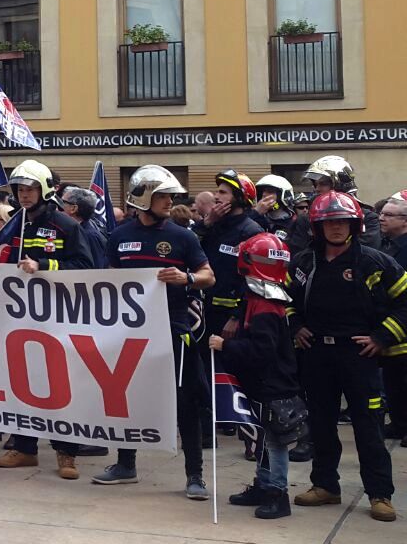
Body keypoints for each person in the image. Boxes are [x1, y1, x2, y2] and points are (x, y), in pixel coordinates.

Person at [288, 191, 405, 522]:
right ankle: (325, 486)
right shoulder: (303, 263)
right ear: (318, 226)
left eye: (342, 222)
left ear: (353, 225)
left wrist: (382, 337)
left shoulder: (377, 262)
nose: (336, 228)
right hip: (317, 357)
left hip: (359, 358)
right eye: (329, 222)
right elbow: (283, 300)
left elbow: (405, 303)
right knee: (322, 426)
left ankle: (380, 494)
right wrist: (295, 324)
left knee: (368, 428)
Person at [97, 165, 214, 497]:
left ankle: (195, 475)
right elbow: (108, 278)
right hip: (130, 333)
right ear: (144, 197)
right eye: (163, 195)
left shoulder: (183, 236)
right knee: (128, 398)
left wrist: (186, 278)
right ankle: (125, 464)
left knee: (185, 403)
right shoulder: (118, 236)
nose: (170, 200)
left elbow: (209, 276)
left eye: (170, 195)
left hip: (174, 331)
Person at [0, 159, 94, 476]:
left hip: (59, 318)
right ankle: (24, 448)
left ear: (44, 190)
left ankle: (67, 453)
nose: (23, 195)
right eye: (20, 189)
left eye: (30, 189)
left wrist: (43, 267)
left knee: (62, 384)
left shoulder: (66, 225)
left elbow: (86, 269)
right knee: (24, 382)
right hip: (21, 317)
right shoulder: (14, 224)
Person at [212, 233, 302, 520]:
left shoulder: (264, 305)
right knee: (263, 438)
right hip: (265, 382)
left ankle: (278, 493)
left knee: (274, 441)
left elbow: (262, 351)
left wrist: (225, 345)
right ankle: (264, 485)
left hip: (271, 384)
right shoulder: (262, 296)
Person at [199, 170, 266, 338]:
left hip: (231, 317)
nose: (216, 196)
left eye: (223, 192)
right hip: (204, 312)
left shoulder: (251, 231)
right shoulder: (212, 225)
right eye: (216, 191)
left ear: (240, 197)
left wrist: (237, 316)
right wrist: (206, 223)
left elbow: (256, 281)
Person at [287, 156, 380, 251]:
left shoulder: (368, 219)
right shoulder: (305, 219)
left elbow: (367, 252)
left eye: (323, 184)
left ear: (340, 184)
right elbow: (298, 253)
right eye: (316, 184)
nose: (317, 189)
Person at [380, 192, 407, 440]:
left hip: (403, 325)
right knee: (394, 382)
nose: (381, 218)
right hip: (390, 329)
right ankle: (399, 423)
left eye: (388, 215)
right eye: (382, 214)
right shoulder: (387, 245)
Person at [253, 175, 298, 240]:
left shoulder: (295, 222)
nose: (264, 194)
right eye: (262, 192)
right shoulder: (255, 219)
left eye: (270, 191)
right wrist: (255, 213)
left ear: (284, 195)